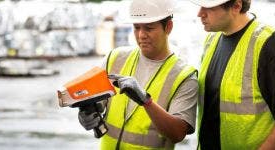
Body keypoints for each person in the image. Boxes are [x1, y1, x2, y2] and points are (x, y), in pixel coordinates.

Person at [187, 0, 275, 149]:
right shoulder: (212, 40)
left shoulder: (271, 46)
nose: (200, 13)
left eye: (209, 8)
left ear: (236, 6)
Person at [78, 0, 198, 149]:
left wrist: (146, 101)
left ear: (168, 27)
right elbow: (95, 103)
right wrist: (87, 115)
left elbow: (178, 133)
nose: (141, 35)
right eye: (136, 27)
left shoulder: (184, 76)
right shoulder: (114, 58)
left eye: (149, 28)